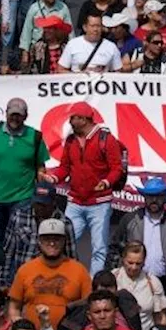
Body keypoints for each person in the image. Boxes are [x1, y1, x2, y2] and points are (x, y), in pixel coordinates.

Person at [47, 102, 123, 274]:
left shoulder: (106, 139)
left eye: (73, 118)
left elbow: (116, 167)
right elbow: (65, 167)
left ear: (84, 119)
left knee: (99, 248)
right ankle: (64, 275)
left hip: (99, 203)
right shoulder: (71, 140)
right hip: (75, 201)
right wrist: (53, 178)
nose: (70, 122)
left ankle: (93, 285)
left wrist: (106, 182)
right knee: (63, 241)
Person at [105, 176, 166, 309]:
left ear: (165, 197)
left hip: (164, 281)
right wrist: (108, 282)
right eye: (150, 196)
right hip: (132, 279)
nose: (154, 200)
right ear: (144, 197)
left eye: (158, 196)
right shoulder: (130, 219)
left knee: (162, 325)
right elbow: (115, 249)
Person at [0, 97, 49, 243]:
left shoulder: (35, 136)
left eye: (18, 115)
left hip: (23, 197)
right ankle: (2, 263)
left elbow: (40, 166)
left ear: (25, 116)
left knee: (21, 236)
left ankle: (18, 264)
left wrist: (42, 194)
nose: (15, 118)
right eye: (12, 114)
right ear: (6, 114)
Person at [7, 218, 92, 329]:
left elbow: (89, 307)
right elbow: (14, 306)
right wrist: (19, 327)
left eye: (57, 239)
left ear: (64, 241)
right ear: (39, 241)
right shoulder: (25, 270)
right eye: (47, 239)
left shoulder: (80, 271)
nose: (52, 243)